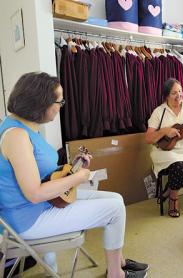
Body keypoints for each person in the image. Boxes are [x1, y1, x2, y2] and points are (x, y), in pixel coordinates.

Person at [0, 72, 149, 278]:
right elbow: (34, 192)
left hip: (42, 205)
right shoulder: (16, 136)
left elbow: (40, 172)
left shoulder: (24, 127)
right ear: (41, 103)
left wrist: (72, 167)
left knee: (117, 199)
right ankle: (116, 274)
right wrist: (79, 177)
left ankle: (119, 262)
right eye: (60, 101)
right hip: (28, 219)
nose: (61, 106)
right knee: (114, 208)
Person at [145, 78, 183, 218]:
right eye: (174, 93)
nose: (179, 96)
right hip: (166, 151)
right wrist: (165, 131)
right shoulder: (159, 112)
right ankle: (174, 200)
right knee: (178, 167)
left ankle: (168, 191)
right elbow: (148, 138)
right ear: (166, 95)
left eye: (180, 92)